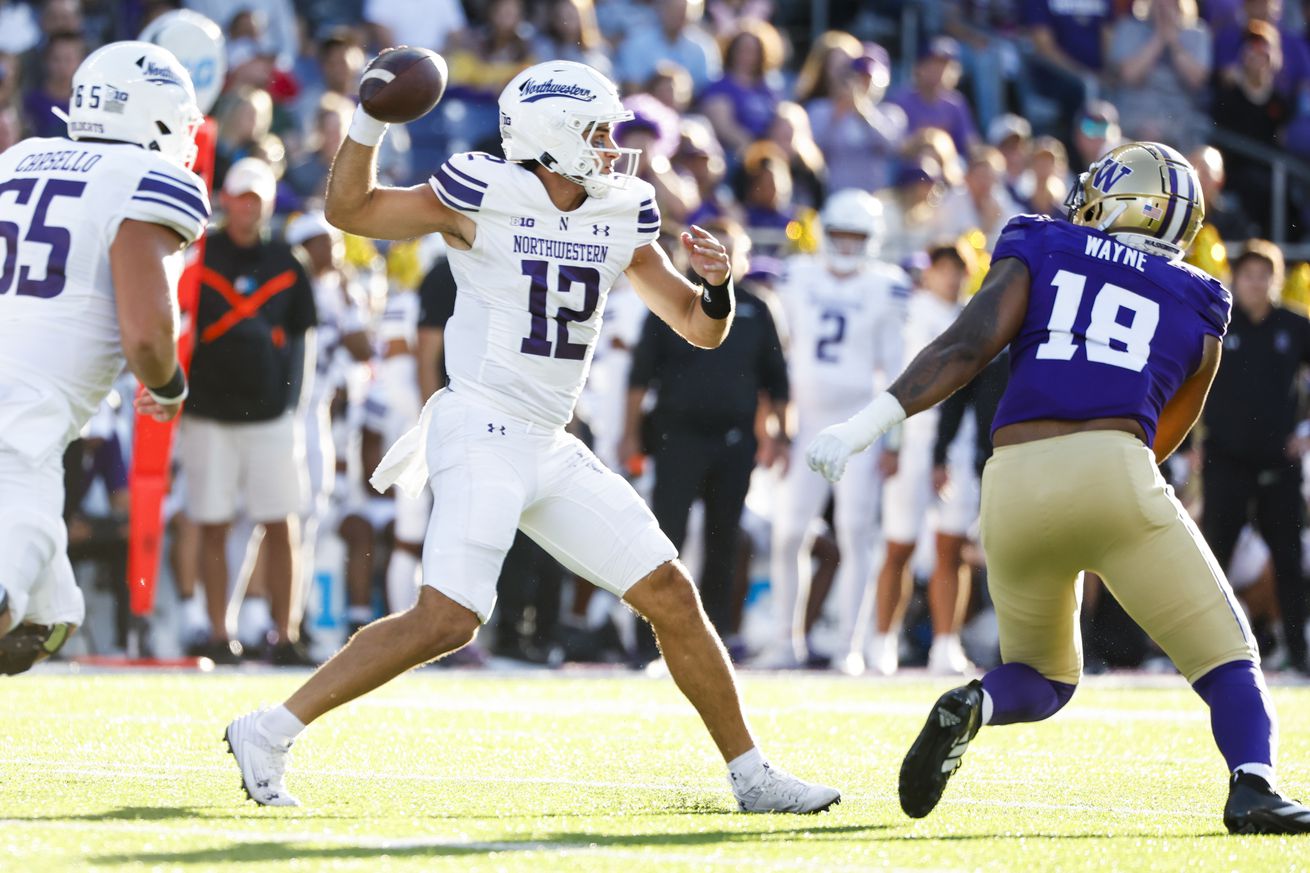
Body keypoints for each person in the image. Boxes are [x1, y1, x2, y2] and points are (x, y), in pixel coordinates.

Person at [225, 59, 839, 815]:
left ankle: (751, 773)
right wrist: (370, 125)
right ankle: (270, 728)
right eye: (598, 131)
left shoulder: (623, 209)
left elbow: (696, 327)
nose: (613, 147)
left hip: (548, 438)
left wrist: (717, 287)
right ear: (551, 137)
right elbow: (351, 211)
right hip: (480, 422)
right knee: (448, 617)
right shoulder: (484, 190)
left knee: (672, 594)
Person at [806, 141, 1310, 833]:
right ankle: (1253, 785)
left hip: (1011, 478)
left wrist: (865, 424)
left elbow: (966, 346)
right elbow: (1167, 434)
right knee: (1230, 659)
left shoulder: (1042, 241)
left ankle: (977, 702)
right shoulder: (1201, 299)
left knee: (1043, 675)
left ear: (1124, 199)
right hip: (1113, 466)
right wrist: (1113, 510)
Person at [0, 42, 208, 673]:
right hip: (24, 423)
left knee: (47, 618)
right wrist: (168, 387)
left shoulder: (20, 158)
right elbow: (146, 334)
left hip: (25, 412)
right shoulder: (146, 178)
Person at [623, 216, 790, 662]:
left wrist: (780, 434)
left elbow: (777, 380)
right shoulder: (673, 298)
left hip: (735, 443)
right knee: (662, 540)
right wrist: (628, 435)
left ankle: (713, 641)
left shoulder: (759, 305)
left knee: (724, 541)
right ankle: (649, 642)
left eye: (731, 248)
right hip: (677, 437)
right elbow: (639, 377)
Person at [759, 189, 908, 671]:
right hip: (805, 420)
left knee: (854, 532)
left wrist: (893, 439)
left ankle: (850, 645)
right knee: (787, 534)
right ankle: (787, 640)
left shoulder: (887, 285)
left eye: (855, 237)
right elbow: (778, 354)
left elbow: (898, 369)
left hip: (859, 424)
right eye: (838, 235)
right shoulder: (797, 275)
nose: (845, 246)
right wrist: (776, 424)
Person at [181, 156, 318, 666]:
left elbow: (303, 337)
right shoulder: (201, 256)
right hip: (208, 411)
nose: (247, 207)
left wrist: (291, 402)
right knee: (212, 522)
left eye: (256, 199)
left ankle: (286, 634)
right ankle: (220, 632)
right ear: (226, 200)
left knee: (281, 522)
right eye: (240, 197)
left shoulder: (287, 261)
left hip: (268, 414)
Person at [1200, 241, 1310, 675]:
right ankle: (1203, 652)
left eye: (1264, 274)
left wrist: (1306, 432)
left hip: (1277, 462)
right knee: (1211, 557)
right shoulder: (1216, 323)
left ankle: (1299, 653)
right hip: (1224, 460)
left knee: (1288, 557)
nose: (1256, 283)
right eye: (1248, 274)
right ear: (1235, 278)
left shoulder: (1294, 326)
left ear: (1276, 280)